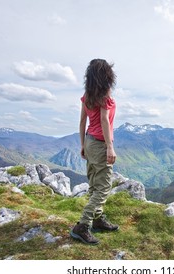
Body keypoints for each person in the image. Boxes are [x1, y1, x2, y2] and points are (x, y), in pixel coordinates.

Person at [70, 59, 119, 245]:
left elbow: (83, 121)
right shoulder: (105, 95)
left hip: (89, 141)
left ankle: (97, 219)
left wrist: (82, 144)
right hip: (100, 144)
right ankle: (82, 226)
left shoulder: (87, 95)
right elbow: (105, 120)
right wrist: (110, 147)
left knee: (93, 184)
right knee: (104, 187)